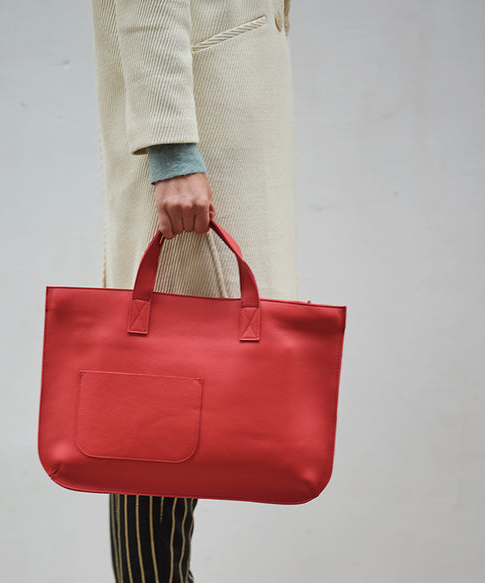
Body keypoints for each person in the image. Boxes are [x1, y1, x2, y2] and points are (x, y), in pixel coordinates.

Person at [90, 1, 295, 581]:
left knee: (178, 398)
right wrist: (172, 152)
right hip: (196, 152)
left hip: (225, 135)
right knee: (153, 406)